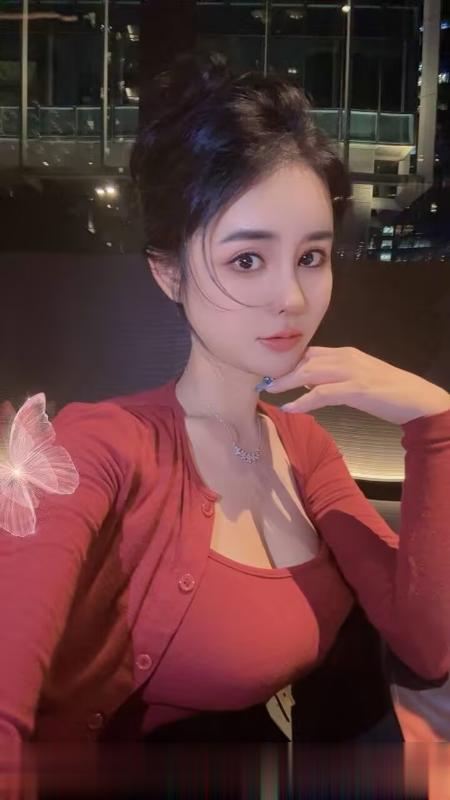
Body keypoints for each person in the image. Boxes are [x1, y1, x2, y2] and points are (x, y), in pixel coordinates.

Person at [1, 50, 450, 757]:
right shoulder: (96, 449)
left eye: (311, 257)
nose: (292, 298)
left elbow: (427, 644)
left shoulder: (304, 447)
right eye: (246, 259)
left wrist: (434, 425)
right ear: (169, 275)